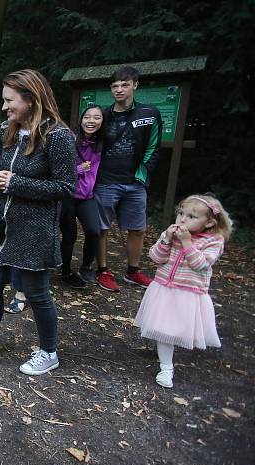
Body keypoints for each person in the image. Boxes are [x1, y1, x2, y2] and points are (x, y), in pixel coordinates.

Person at [0, 69, 76, 375]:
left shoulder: (58, 137)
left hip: (34, 231)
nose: (4, 107)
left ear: (31, 99)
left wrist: (16, 183)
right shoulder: (5, 130)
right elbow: (0, 167)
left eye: (9, 100)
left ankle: (49, 352)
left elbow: (66, 188)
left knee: (37, 293)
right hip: (0, 226)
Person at [134, 194, 232, 388]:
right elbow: (155, 257)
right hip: (164, 288)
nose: (182, 219)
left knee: (174, 328)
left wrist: (187, 243)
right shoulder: (172, 234)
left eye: (191, 216)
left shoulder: (214, 241)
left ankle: (165, 352)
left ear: (210, 223)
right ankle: (166, 367)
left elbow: (200, 265)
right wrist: (166, 240)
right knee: (164, 329)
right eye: (181, 213)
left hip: (188, 292)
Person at [94, 66, 163, 292]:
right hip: (105, 180)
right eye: (115, 86)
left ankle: (133, 271)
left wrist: (142, 176)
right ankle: (102, 270)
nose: (119, 90)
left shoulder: (149, 113)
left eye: (124, 85)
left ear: (135, 85)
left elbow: (154, 145)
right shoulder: (103, 115)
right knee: (101, 227)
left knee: (137, 228)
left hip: (134, 182)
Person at [59, 105, 104, 288]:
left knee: (94, 230)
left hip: (88, 196)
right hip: (69, 195)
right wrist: (78, 169)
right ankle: (66, 271)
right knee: (69, 235)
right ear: (81, 119)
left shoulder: (101, 143)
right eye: (87, 117)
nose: (91, 121)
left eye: (96, 117)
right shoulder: (70, 139)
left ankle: (86, 267)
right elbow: (59, 167)